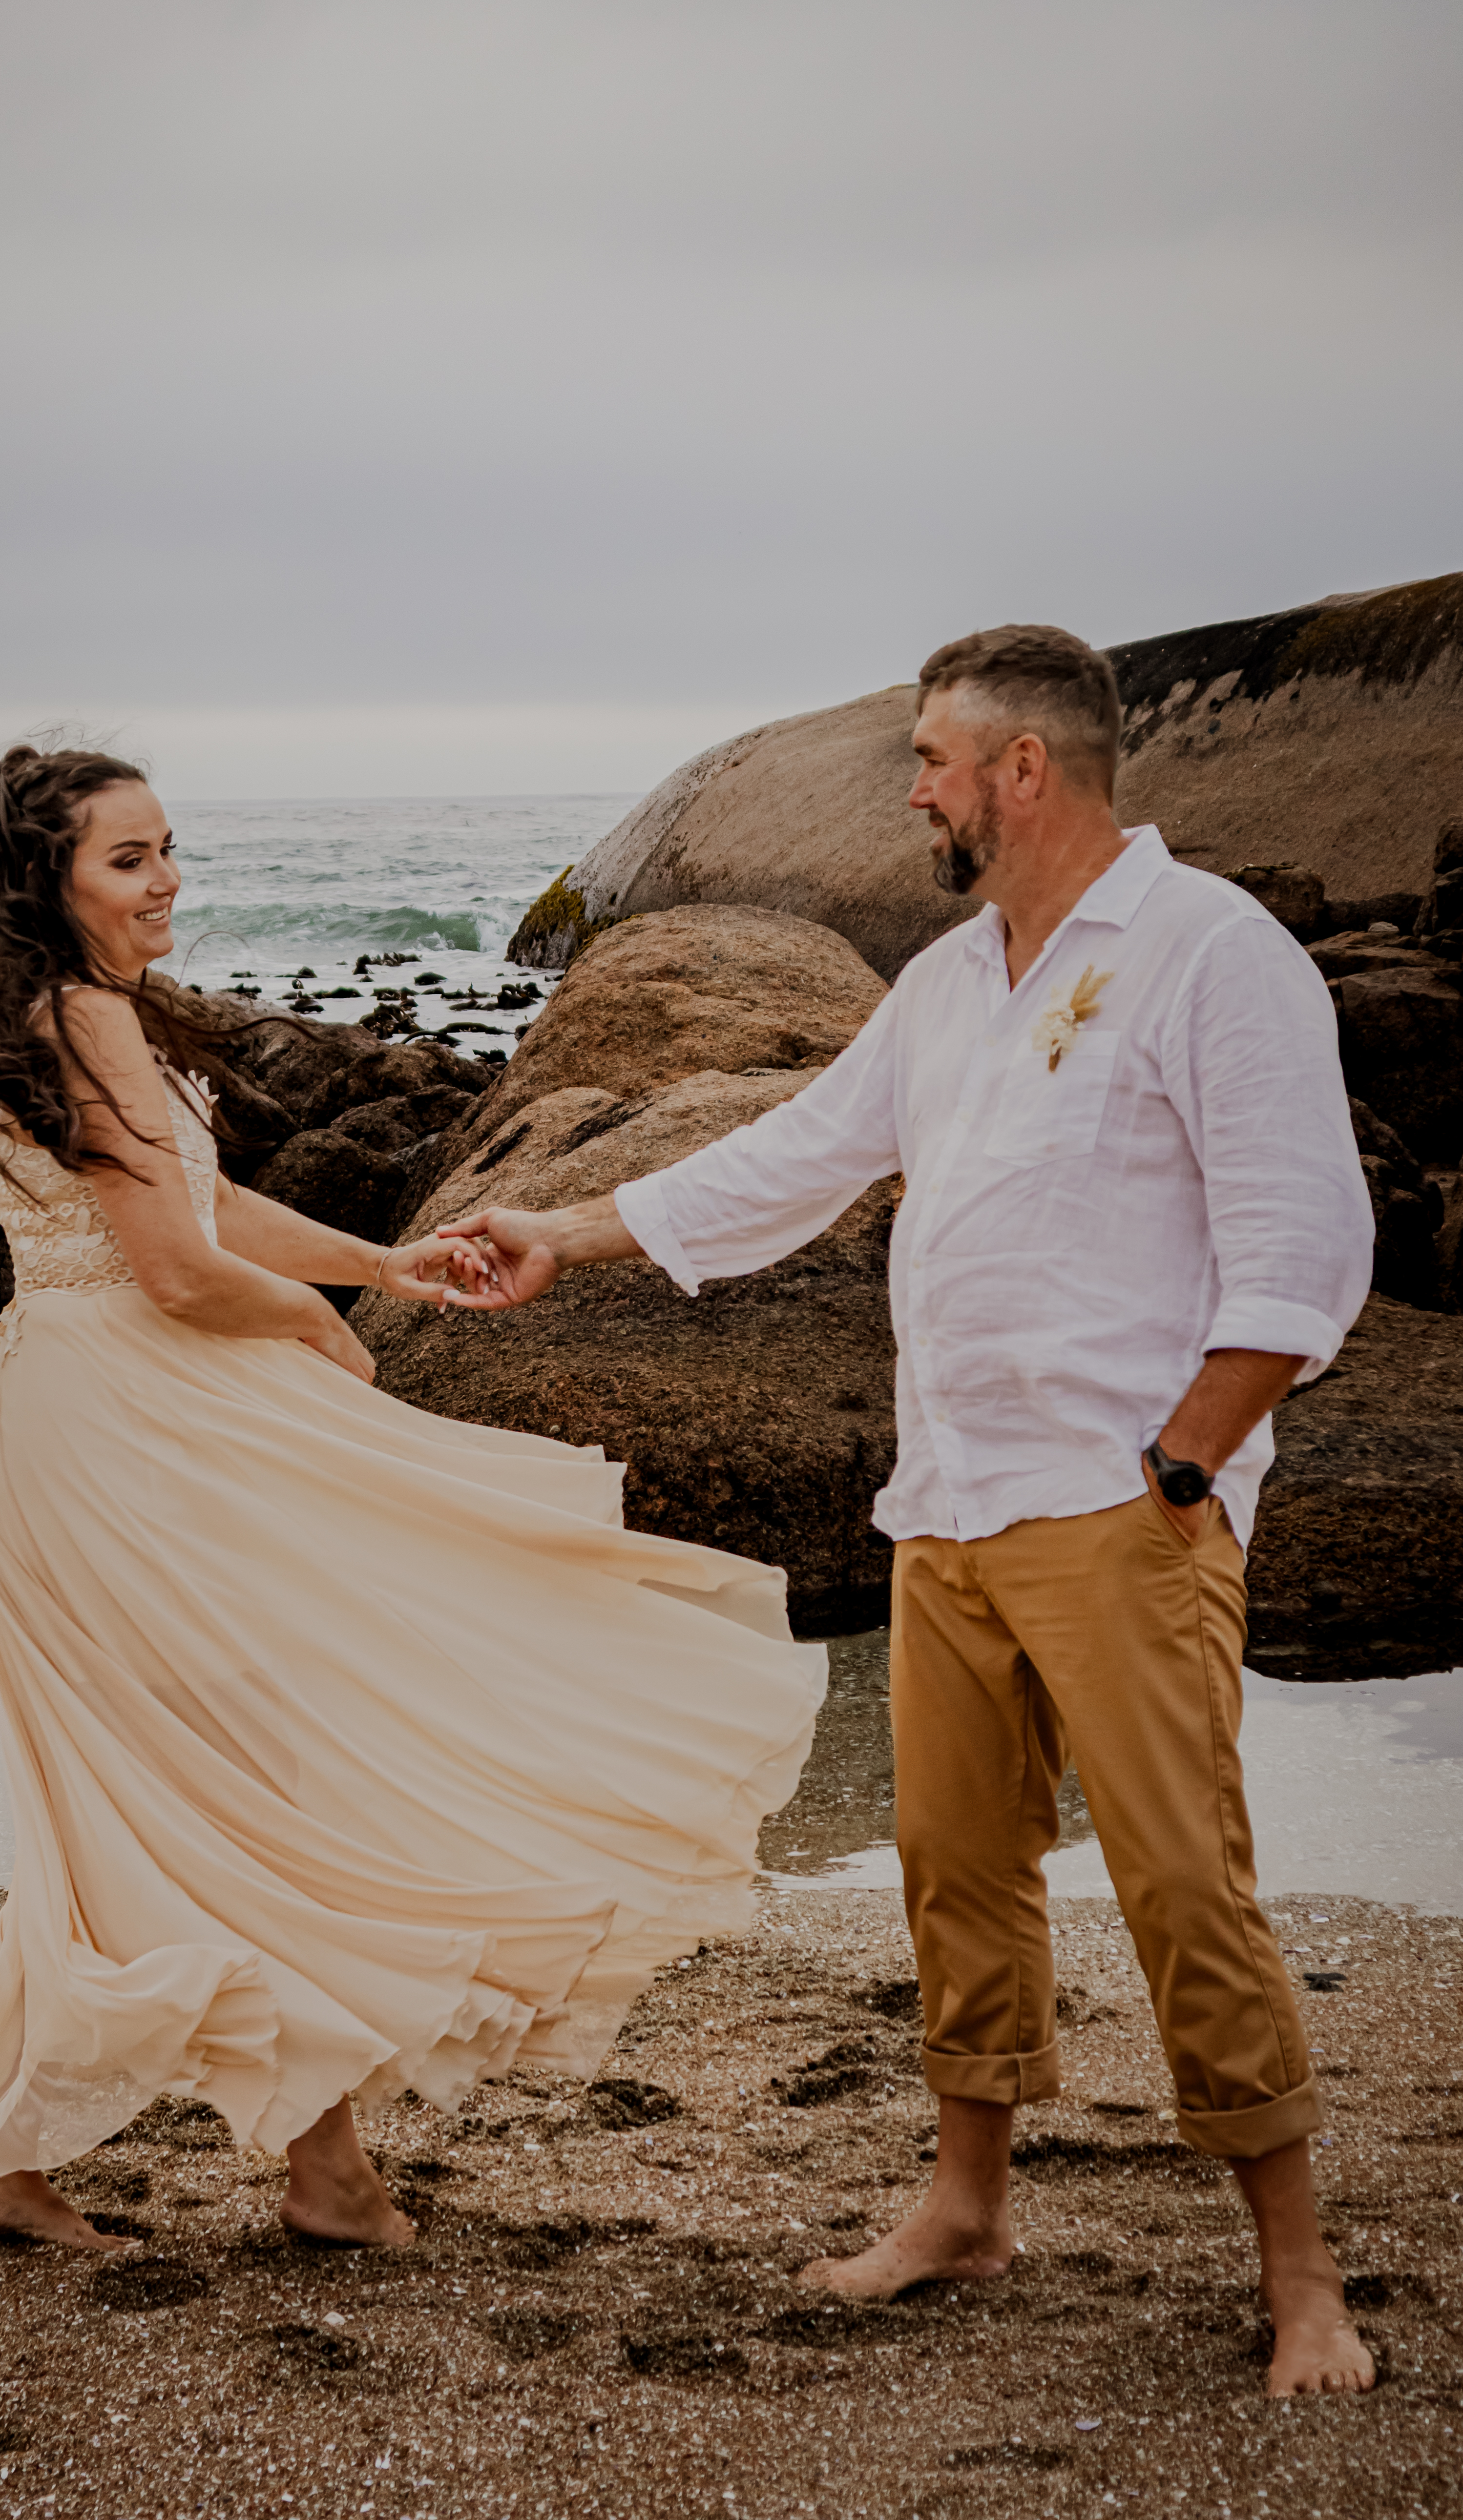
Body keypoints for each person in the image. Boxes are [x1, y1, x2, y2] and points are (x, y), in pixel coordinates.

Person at [446, 625, 1379, 2396]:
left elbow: (1306, 1248)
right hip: (945, 1499)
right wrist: (569, 1233)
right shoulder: (955, 979)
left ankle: (1302, 2271)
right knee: (959, 1869)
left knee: (1188, 1882)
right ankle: (966, 2207)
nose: (917, 788)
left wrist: (1184, 1464)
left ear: (1026, 769)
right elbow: (796, 1152)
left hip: (1121, 1509)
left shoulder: (1211, 953)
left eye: (937, 758)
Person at [0, 744, 826, 2253]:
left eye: (168, 850)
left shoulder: (71, 1013)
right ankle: (300, 2170)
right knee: (229, 1768)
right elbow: (178, 1267)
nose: (168, 883)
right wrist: (313, 1326)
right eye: (131, 859)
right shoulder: (85, 1018)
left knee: (189, 1774)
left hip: (98, 1411)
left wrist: (379, 1262)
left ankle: (93, 2158)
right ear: (56, 879)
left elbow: (208, 1210)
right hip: (117, 1430)